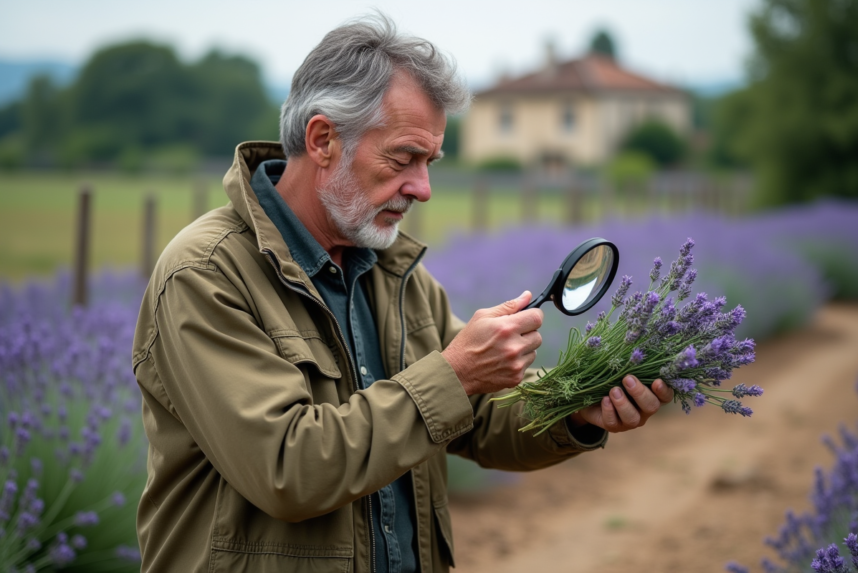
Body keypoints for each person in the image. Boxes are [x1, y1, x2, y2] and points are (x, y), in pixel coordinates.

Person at [131, 14, 674, 573]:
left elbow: (481, 415)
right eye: (403, 158)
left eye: (430, 162)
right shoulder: (206, 273)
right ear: (323, 140)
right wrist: (457, 373)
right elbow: (286, 468)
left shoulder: (392, 269)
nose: (423, 188)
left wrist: (576, 409)